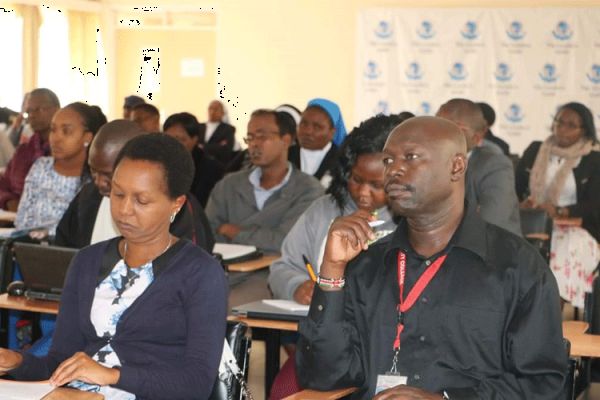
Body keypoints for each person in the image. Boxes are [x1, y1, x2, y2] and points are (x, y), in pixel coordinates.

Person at [297, 116, 566, 399]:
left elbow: (543, 385)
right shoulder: (366, 264)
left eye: (410, 157)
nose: (394, 171)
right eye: (388, 161)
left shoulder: (517, 267)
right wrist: (332, 271)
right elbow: (324, 377)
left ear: (456, 166)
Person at [0, 133, 228, 399]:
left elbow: (196, 385)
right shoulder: (87, 261)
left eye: (141, 201)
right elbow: (58, 364)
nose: (124, 210)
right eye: (117, 194)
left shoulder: (200, 273)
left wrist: (112, 375)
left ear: (176, 204)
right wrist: (16, 361)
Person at [268, 114, 403, 400]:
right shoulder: (323, 210)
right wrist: (296, 285)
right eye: (356, 180)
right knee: (282, 391)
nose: (363, 193)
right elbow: (282, 266)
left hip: (385, 347)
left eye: (377, 185)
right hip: (325, 342)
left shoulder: (412, 223)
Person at [54, 119, 215, 253]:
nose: (98, 181)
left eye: (108, 175)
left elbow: (192, 271)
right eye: (93, 171)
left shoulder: (175, 206)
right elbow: (63, 250)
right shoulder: (88, 196)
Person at [516, 102, 600, 309]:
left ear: (585, 130)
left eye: (571, 125)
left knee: (564, 250)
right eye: (559, 122)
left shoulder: (594, 159)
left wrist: (561, 210)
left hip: (576, 227)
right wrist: (524, 203)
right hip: (533, 224)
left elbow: (595, 204)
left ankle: (551, 311)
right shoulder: (536, 149)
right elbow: (515, 188)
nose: (561, 128)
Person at [205, 109, 323, 253]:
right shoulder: (228, 185)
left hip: (278, 273)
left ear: (285, 140)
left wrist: (234, 232)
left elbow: (287, 241)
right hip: (227, 271)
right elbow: (207, 233)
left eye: (261, 137)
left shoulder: (309, 190)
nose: (254, 144)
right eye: (250, 137)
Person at [14, 102, 106, 236]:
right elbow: (22, 219)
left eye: (66, 131)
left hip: (69, 252)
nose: (56, 138)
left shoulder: (95, 179)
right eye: (53, 130)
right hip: (30, 248)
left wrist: (49, 233)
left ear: (87, 137)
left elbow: (85, 230)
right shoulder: (41, 167)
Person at [436, 98, 521, 236]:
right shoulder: (430, 162)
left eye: (448, 127)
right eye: (436, 125)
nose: (437, 134)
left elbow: (492, 221)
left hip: (493, 249)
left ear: (476, 137)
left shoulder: (495, 165)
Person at [0, 88, 60, 211]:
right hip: (13, 218)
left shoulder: (65, 151)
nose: (32, 115)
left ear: (57, 110)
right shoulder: (23, 151)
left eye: (39, 109)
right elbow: (3, 183)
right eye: (29, 111)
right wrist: (9, 201)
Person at [163, 112, 224, 207]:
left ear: (194, 140)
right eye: (168, 138)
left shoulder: (211, 169)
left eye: (181, 139)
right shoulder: (156, 162)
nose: (173, 144)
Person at [288, 98, 347, 187]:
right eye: (304, 124)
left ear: (332, 132)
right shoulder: (285, 155)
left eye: (317, 127)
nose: (308, 131)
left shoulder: (343, 161)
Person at [199, 100, 237, 165]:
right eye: (210, 108)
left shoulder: (228, 129)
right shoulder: (199, 127)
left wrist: (203, 147)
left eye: (216, 109)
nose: (212, 112)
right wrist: (217, 145)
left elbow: (225, 150)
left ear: (222, 113)